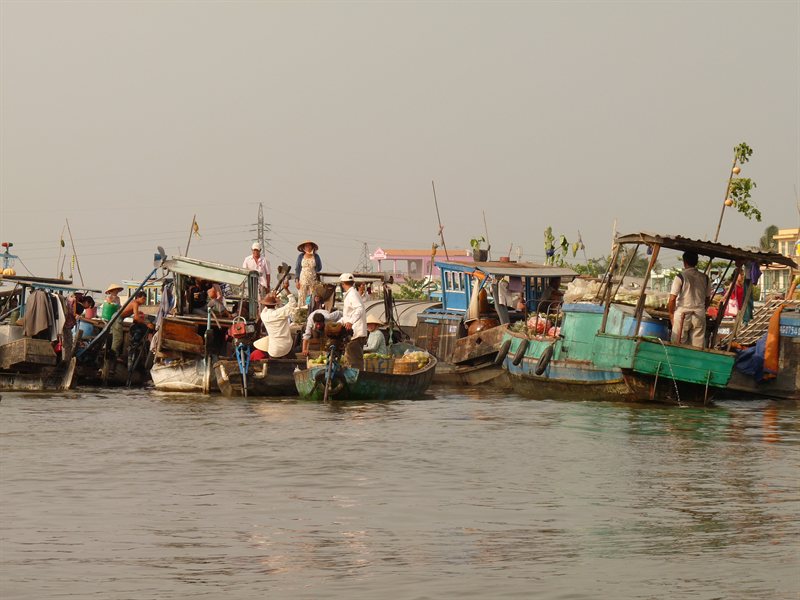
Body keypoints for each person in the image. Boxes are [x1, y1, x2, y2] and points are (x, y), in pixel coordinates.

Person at [668, 251, 711, 348]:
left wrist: (671, 315)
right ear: (696, 262)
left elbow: (672, 299)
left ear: (684, 262)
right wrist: (702, 309)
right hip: (699, 314)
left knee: (677, 345)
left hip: (683, 313)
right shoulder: (705, 278)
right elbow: (708, 298)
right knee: (697, 347)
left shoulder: (680, 277)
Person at [337, 273, 367, 369]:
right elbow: (347, 316)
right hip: (354, 333)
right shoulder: (351, 294)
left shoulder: (352, 294)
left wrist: (351, 322)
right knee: (352, 360)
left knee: (355, 362)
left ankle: (358, 381)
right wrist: (337, 323)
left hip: (356, 333)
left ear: (342, 284)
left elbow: (359, 309)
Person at [259, 292, 297, 359]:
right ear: (275, 304)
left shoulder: (263, 315)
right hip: (286, 347)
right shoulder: (279, 313)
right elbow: (293, 304)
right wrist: (287, 290)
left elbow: (266, 308)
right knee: (296, 366)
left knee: (273, 367)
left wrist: (272, 298)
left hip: (274, 350)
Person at [111, 291, 149, 357]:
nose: (144, 301)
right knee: (118, 339)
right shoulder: (135, 303)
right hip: (117, 318)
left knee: (117, 338)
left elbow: (135, 316)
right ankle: (113, 355)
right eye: (143, 299)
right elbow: (136, 318)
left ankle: (114, 354)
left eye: (145, 299)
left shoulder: (134, 303)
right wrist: (146, 323)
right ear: (137, 298)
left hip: (118, 317)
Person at [295, 240, 322, 307]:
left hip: (312, 279)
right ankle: (301, 312)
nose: (308, 247)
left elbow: (319, 267)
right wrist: (297, 281)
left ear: (312, 247)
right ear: (304, 248)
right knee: (302, 295)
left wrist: (313, 271)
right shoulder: (301, 256)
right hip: (303, 278)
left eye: (309, 245)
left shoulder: (316, 256)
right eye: (306, 246)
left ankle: (311, 310)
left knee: (312, 296)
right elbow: (297, 269)